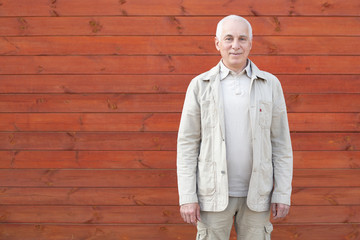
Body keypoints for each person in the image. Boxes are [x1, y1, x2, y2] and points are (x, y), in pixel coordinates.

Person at [176, 15, 293, 240]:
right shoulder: (200, 85)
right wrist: (187, 196)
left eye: (242, 39)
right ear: (217, 43)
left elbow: (281, 144)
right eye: (228, 38)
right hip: (212, 196)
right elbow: (187, 144)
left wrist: (282, 192)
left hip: (258, 196)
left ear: (251, 43)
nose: (235, 45)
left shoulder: (270, 85)